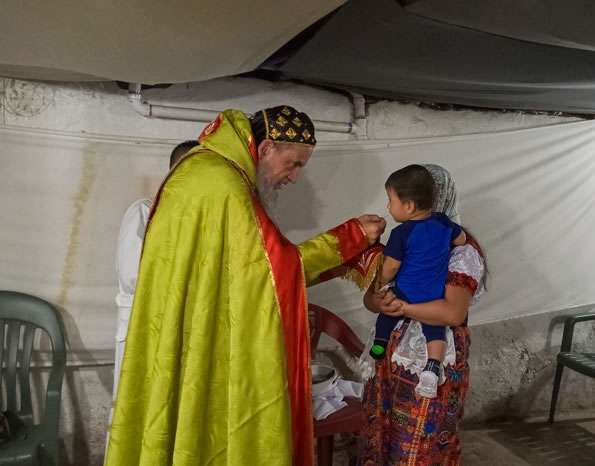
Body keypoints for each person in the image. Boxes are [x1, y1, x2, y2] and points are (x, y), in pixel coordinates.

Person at [106, 106, 386, 466]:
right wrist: (350, 237)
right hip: (198, 333)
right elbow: (272, 270)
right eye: (293, 164)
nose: (295, 178)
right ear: (266, 148)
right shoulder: (226, 184)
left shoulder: (205, 170)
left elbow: (248, 273)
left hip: (186, 329)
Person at [359, 164, 487, 465]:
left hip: (432, 362)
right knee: (384, 435)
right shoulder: (406, 239)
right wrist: (379, 302)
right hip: (390, 360)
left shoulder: (462, 253)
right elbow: (372, 296)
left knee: (421, 445)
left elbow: (452, 313)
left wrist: (402, 308)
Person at [109, 140, 198, 451]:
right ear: (175, 171)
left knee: (173, 419)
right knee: (139, 415)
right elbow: (133, 274)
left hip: (181, 331)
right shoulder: (144, 211)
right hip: (144, 329)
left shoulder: (201, 219)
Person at [372, 164, 467, 398]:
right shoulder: (443, 222)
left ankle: (379, 344)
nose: (388, 206)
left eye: (390, 200)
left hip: (406, 293)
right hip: (434, 297)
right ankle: (432, 369)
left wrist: (378, 282)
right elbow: (462, 239)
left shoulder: (401, 233)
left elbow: (391, 266)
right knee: (436, 332)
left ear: (409, 206)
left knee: (386, 314)